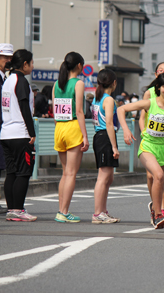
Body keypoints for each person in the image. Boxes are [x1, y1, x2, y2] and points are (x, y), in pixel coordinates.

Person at [118, 73, 164, 229]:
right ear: (159, 88)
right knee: (158, 175)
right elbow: (121, 109)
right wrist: (126, 131)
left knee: (160, 181)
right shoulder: (150, 103)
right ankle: (158, 214)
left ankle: (154, 209)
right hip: (148, 146)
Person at [53, 52, 89, 223]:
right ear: (79, 66)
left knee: (65, 173)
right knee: (71, 174)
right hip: (73, 127)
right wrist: (85, 136)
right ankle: (64, 212)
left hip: (59, 128)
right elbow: (80, 111)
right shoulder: (79, 83)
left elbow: (54, 113)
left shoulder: (56, 85)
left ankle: (61, 210)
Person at [1, 49, 36, 221]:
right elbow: (24, 109)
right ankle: (18, 209)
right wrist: (32, 132)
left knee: (12, 173)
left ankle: (11, 210)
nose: (33, 66)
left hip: (6, 133)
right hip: (20, 133)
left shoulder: (7, 80)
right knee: (23, 172)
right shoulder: (21, 81)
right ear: (24, 64)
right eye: (31, 62)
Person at [139, 61, 164, 223]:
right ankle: (156, 205)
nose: (163, 72)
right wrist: (143, 132)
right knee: (153, 175)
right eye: (161, 71)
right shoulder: (149, 94)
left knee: (161, 176)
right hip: (149, 140)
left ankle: (162, 207)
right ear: (156, 75)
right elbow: (142, 117)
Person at [91, 69, 120, 224]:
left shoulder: (97, 98)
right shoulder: (108, 99)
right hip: (105, 137)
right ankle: (97, 213)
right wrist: (114, 146)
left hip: (100, 136)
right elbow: (109, 123)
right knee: (103, 177)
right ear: (114, 83)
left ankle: (103, 210)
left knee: (108, 177)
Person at [0, 43, 13, 214]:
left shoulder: (5, 78)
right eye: (5, 57)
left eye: (10, 57)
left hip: (2, 128)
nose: (8, 61)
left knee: (0, 166)